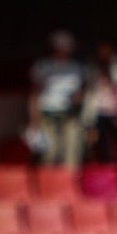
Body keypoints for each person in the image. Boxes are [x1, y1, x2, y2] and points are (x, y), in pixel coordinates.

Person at [29, 31, 88, 169]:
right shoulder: (43, 67)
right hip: (47, 114)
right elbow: (34, 96)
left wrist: (79, 98)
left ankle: (69, 185)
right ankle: (48, 186)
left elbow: (83, 92)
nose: (65, 49)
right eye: (62, 46)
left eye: (68, 46)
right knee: (49, 153)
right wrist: (34, 121)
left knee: (72, 153)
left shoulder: (77, 68)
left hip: (70, 115)